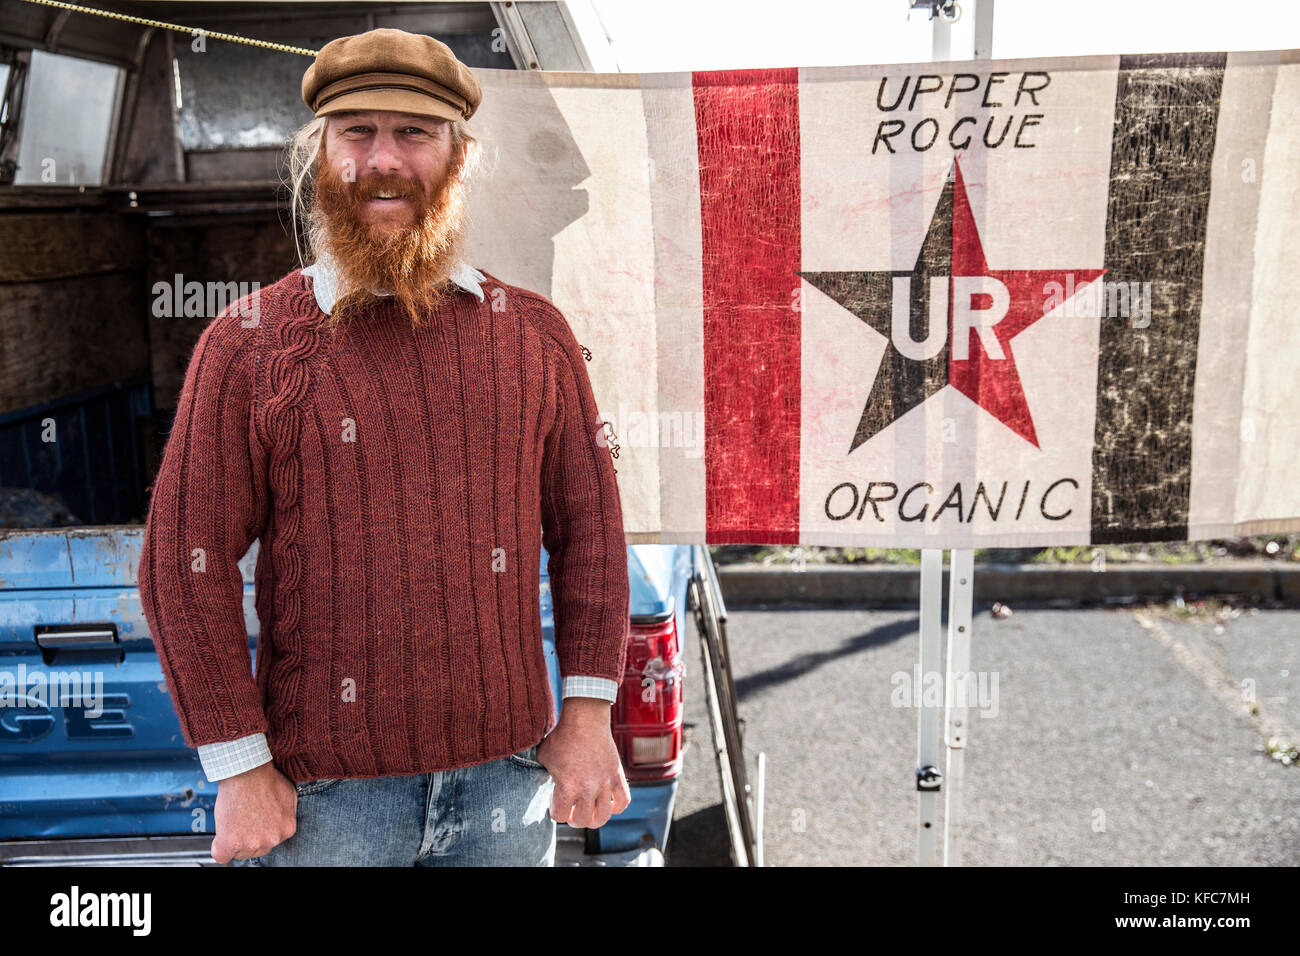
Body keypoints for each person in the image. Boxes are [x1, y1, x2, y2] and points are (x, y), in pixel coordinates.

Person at [136, 27, 632, 867]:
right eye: (356, 131)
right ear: (320, 153)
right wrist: (240, 764)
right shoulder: (250, 345)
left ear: (459, 156)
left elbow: (590, 535)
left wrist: (586, 717)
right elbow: (184, 563)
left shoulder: (535, 337)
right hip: (328, 806)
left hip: (508, 787)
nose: (384, 159)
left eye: (415, 133)